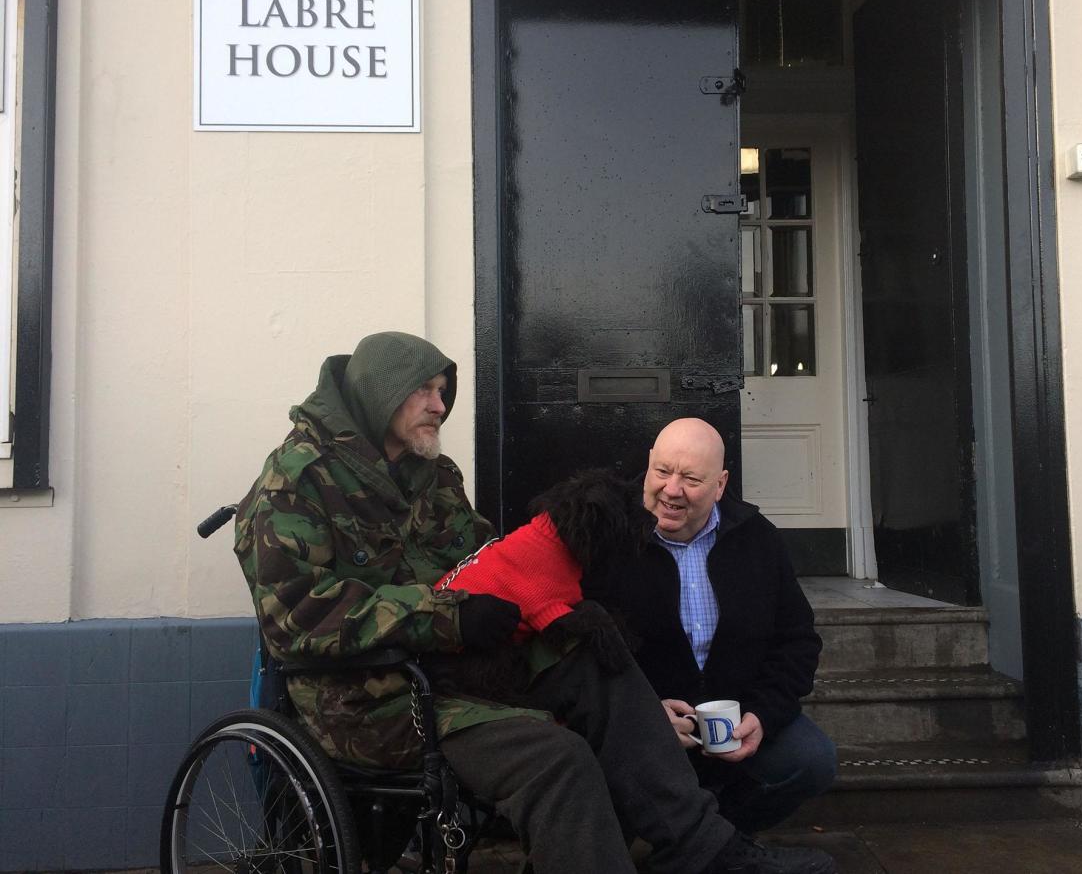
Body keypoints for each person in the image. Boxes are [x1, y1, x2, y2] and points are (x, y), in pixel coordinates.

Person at [234, 331, 837, 874]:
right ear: (379, 392)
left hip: (461, 670)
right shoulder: (297, 484)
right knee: (558, 757)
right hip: (375, 700)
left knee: (595, 655)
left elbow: (483, 558)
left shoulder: (431, 475)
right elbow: (298, 618)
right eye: (426, 391)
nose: (441, 405)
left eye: (443, 391)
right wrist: (443, 615)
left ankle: (705, 852)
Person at [600, 417, 837, 835]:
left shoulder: (758, 540)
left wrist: (762, 714)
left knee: (812, 760)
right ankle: (691, 847)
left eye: (691, 478)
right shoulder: (608, 537)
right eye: (662, 471)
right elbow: (577, 648)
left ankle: (712, 846)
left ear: (721, 484)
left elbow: (797, 641)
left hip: (733, 722)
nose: (672, 489)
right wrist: (640, 712)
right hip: (640, 721)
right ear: (649, 464)